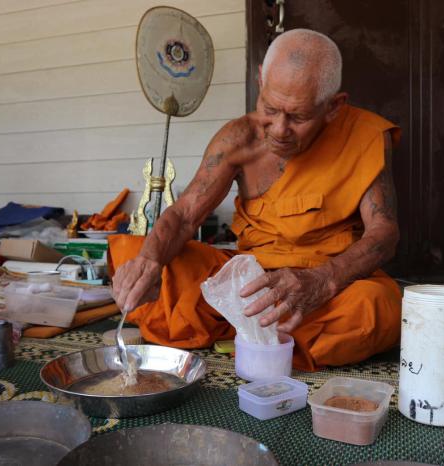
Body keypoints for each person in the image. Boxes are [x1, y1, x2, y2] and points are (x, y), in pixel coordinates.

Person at [109, 29, 401, 371]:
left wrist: (323, 281)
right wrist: (149, 262)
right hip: (248, 280)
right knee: (138, 253)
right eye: (270, 108)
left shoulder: (363, 136)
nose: (278, 129)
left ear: (334, 106)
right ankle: (261, 332)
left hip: (324, 282)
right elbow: (185, 214)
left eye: (298, 117)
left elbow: (384, 232)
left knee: (380, 305)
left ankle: (246, 332)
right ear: (261, 78)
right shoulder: (239, 138)